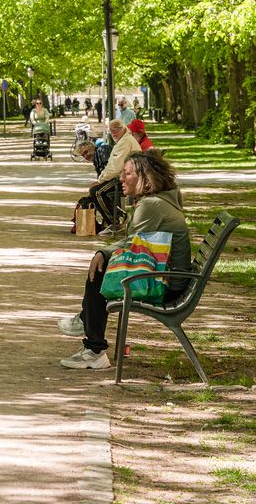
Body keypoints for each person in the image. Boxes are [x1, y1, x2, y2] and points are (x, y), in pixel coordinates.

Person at [58, 149, 192, 369]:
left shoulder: (151, 205)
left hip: (166, 283)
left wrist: (103, 254)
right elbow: (135, 242)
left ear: (144, 177)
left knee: (99, 271)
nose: (121, 178)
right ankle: (87, 326)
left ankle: (94, 347)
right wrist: (104, 252)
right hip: (170, 277)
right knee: (102, 262)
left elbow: (132, 246)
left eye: (127, 173)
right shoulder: (159, 201)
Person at [72, 120, 140, 231]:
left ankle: (115, 222)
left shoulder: (113, 146)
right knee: (95, 192)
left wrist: (99, 181)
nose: (113, 133)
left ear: (123, 129)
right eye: (111, 130)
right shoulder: (122, 141)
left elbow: (114, 168)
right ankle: (113, 219)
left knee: (97, 192)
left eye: (116, 130)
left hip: (127, 180)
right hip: (124, 178)